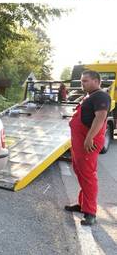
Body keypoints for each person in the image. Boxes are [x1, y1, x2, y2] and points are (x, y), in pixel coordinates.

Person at [64, 70, 111, 226]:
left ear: (96, 81)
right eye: (82, 80)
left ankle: (90, 212)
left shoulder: (101, 96)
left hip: (87, 142)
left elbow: (100, 117)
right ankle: (82, 204)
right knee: (81, 173)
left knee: (88, 177)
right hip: (80, 141)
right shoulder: (90, 96)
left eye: (85, 81)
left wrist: (89, 137)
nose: (82, 83)